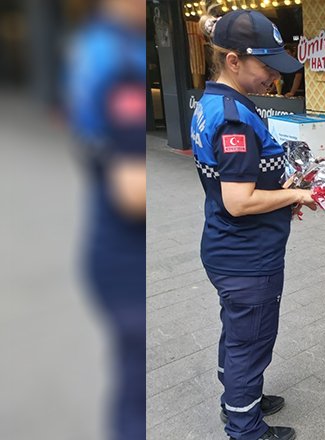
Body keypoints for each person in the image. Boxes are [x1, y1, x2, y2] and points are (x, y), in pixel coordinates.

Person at [192, 9, 316, 440]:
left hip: (229, 249)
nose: (274, 77)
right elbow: (239, 201)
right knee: (251, 342)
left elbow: (238, 183)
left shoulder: (214, 103)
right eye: (266, 66)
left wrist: (278, 189)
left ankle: (237, 401)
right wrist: (297, 195)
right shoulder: (234, 119)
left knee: (238, 333)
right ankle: (246, 428)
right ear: (233, 61)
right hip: (247, 258)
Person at [66, 1, 146, 438]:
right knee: (137, 397)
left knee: (131, 384)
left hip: (111, 245)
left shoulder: (96, 46)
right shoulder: (119, 64)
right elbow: (132, 189)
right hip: (126, 255)